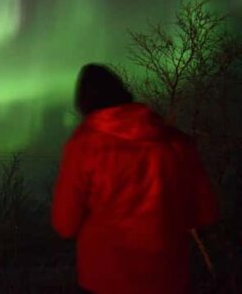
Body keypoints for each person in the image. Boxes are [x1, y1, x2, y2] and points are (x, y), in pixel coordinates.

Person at [51, 63, 218, 294]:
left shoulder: (83, 146)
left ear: (83, 103)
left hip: (104, 280)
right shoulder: (177, 143)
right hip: (168, 278)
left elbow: (65, 224)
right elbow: (203, 213)